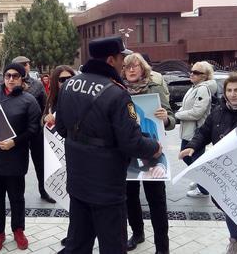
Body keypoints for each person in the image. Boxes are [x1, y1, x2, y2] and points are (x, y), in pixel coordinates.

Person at [55, 36, 163, 254]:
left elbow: (61, 128)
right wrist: (154, 147)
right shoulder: (117, 93)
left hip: (78, 178)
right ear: (111, 59)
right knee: (113, 244)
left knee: (78, 241)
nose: (123, 62)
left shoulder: (68, 85)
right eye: (121, 57)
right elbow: (131, 142)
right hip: (106, 184)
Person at [179, 72, 237, 254]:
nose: (233, 94)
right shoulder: (219, 111)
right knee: (230, 210)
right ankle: (236, 246)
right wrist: (192, 146)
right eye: (229, 90)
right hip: (226, 174)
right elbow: (204, 132)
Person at [0, 63, 41, 252]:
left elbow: (34, 129)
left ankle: (18, 230)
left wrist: (14, 142)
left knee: (16, 198)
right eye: (8, 75)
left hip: (15, 158)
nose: (11, 79)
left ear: (22, 78)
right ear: (3, 77)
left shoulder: (29, 101)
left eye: (15, 75)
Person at [122, 52, 175, 253]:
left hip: (152, 150)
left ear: (143, 68)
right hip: (127, 152)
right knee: (130, 197)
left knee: (156, 200)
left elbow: (171, 119)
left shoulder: (154, 87)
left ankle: (162, 246)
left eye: (135, 66)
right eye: (128, 67)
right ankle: (137, 233)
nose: (132, 69)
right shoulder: (119, 90)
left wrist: (166, 118)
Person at [12, 56, 55, 203]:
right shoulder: (8, 84)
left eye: (27, 64)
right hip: (17, 133)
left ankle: (44, 191)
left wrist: (45, 118)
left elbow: (45, 106)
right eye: (22, 65)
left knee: (40, 164)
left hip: (36, 131)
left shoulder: (37, 85)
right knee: (17, 165)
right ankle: (17, 194)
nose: (26, 66)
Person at [41, 65, 75, 250]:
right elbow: (44, 120)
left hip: (80, 156)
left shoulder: (80, 98)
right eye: (62, 80)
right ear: (56, 82)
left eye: (70, 78)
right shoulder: (52, 101)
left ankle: (76, 236)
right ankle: (74, 234)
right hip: (62, 156)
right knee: (71, 197)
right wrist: (46, 119)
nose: (67, 82)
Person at [175, 61, 217, 198]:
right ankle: (200, 181)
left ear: (205, 76)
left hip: (196, 131)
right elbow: (186, 106)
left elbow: (197, 112)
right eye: (192, 71)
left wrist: (178, 115)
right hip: (189, 131)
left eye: (197, 72)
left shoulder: (203, 89)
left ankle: (204, 189)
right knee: (190, 158)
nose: (192, 74)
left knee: (193, 159)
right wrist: (181, 111)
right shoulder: (195, 87)